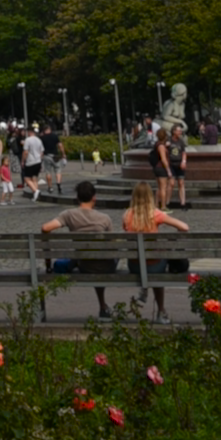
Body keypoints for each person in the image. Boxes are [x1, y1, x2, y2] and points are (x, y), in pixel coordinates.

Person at [41, 178, 117, 319]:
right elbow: (112, 245)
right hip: (106, 266)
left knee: (73, 260)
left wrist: (47, 260)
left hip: (84, 264)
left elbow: (45, 228)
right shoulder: (105, 218)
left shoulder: (69, 215)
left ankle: (103, 305)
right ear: (94, 197)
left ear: (77, 198)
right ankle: (103, 306)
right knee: (101, 258)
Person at [122, 180, 189, 323]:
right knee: (158, 263)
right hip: (154, 266)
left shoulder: (127, 214)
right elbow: (184, 227)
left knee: (150, 260)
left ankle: (145, 287)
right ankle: (161, 311)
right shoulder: (156, 214)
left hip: (134, 265)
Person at [149, 126, 172, 209]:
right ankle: (163, 206)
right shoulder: (161, 146)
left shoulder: (157, 144)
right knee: (163, 187)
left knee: (159, 187)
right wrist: (168, 170)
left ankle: (156, 204)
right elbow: (163, 159)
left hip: (156, 167)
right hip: (161, 168)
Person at [21, 127, 44, 200]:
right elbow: (42, 152)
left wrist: (23, 161)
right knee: (34, 178)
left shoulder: (28, 140)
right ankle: (35, 195)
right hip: (38, 161)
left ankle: (36, 191)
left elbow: (25, 152)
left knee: (26, 178)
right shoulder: (39, 140)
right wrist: (40, 160)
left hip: (30, 161)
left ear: (30, 132)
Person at [167, 124, 188, 208]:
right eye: (178, 131)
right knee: (171, 183)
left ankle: (183, 203)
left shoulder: (181, 141)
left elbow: (183, 152)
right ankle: (167, 202)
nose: (180, 132)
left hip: (179, 164)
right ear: (174, 131)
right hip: (171, 164)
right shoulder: (169, 140)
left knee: (181, 183)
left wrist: (184, 161)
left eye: (180, 131)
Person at [41, 127, 64, 196]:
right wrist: (63, 153)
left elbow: (41, 149)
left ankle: (50, 187)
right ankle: (59, 184)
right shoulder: (55, 136)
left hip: (47, 156)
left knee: (48, 172)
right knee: (58, 170)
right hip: (55, 156)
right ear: (49, 130)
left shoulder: (42, 138)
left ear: (44, 130)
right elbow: (60, 145)